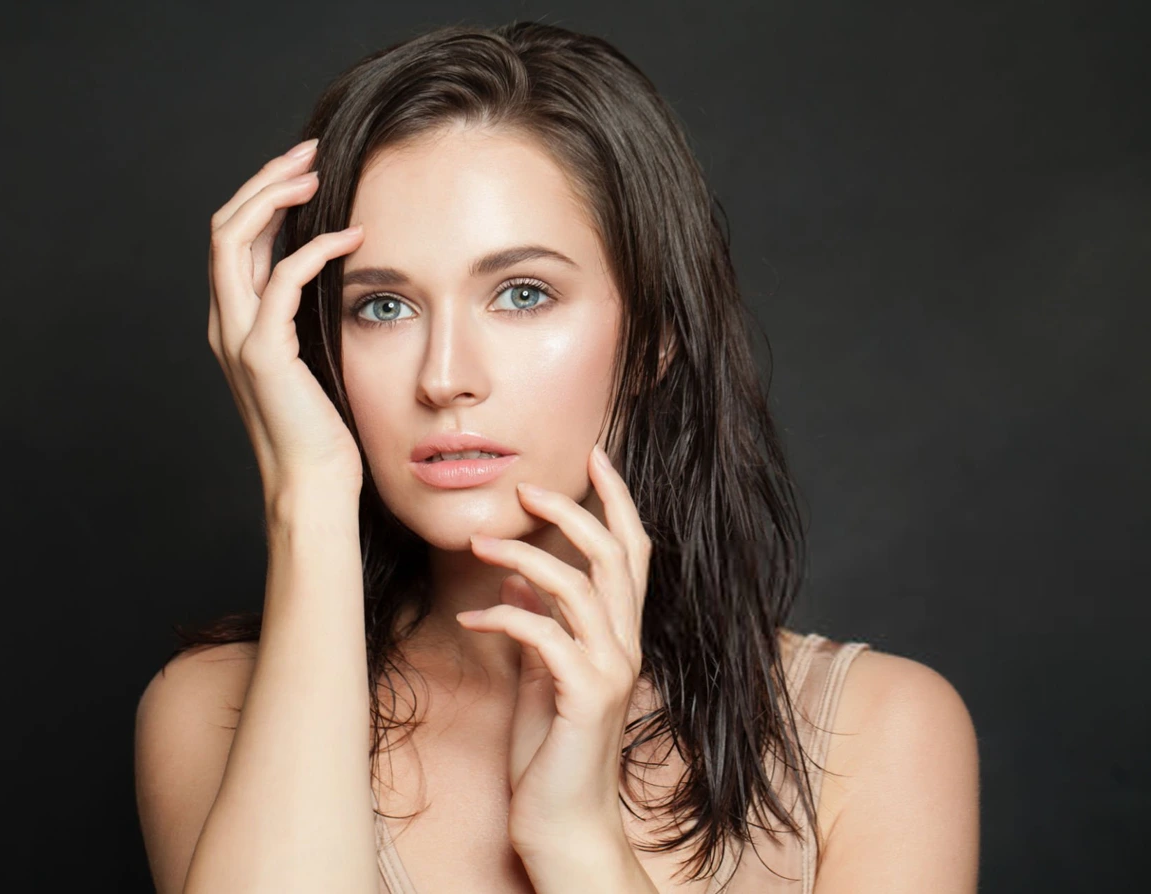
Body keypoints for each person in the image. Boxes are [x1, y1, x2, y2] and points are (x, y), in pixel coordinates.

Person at [134, 21, 979, 894]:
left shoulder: (874, 735)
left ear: (653, 336)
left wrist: (576, 840)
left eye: (522, 294)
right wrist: (307, 494)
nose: (444, 377)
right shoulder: (212, 708)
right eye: (382, 307)